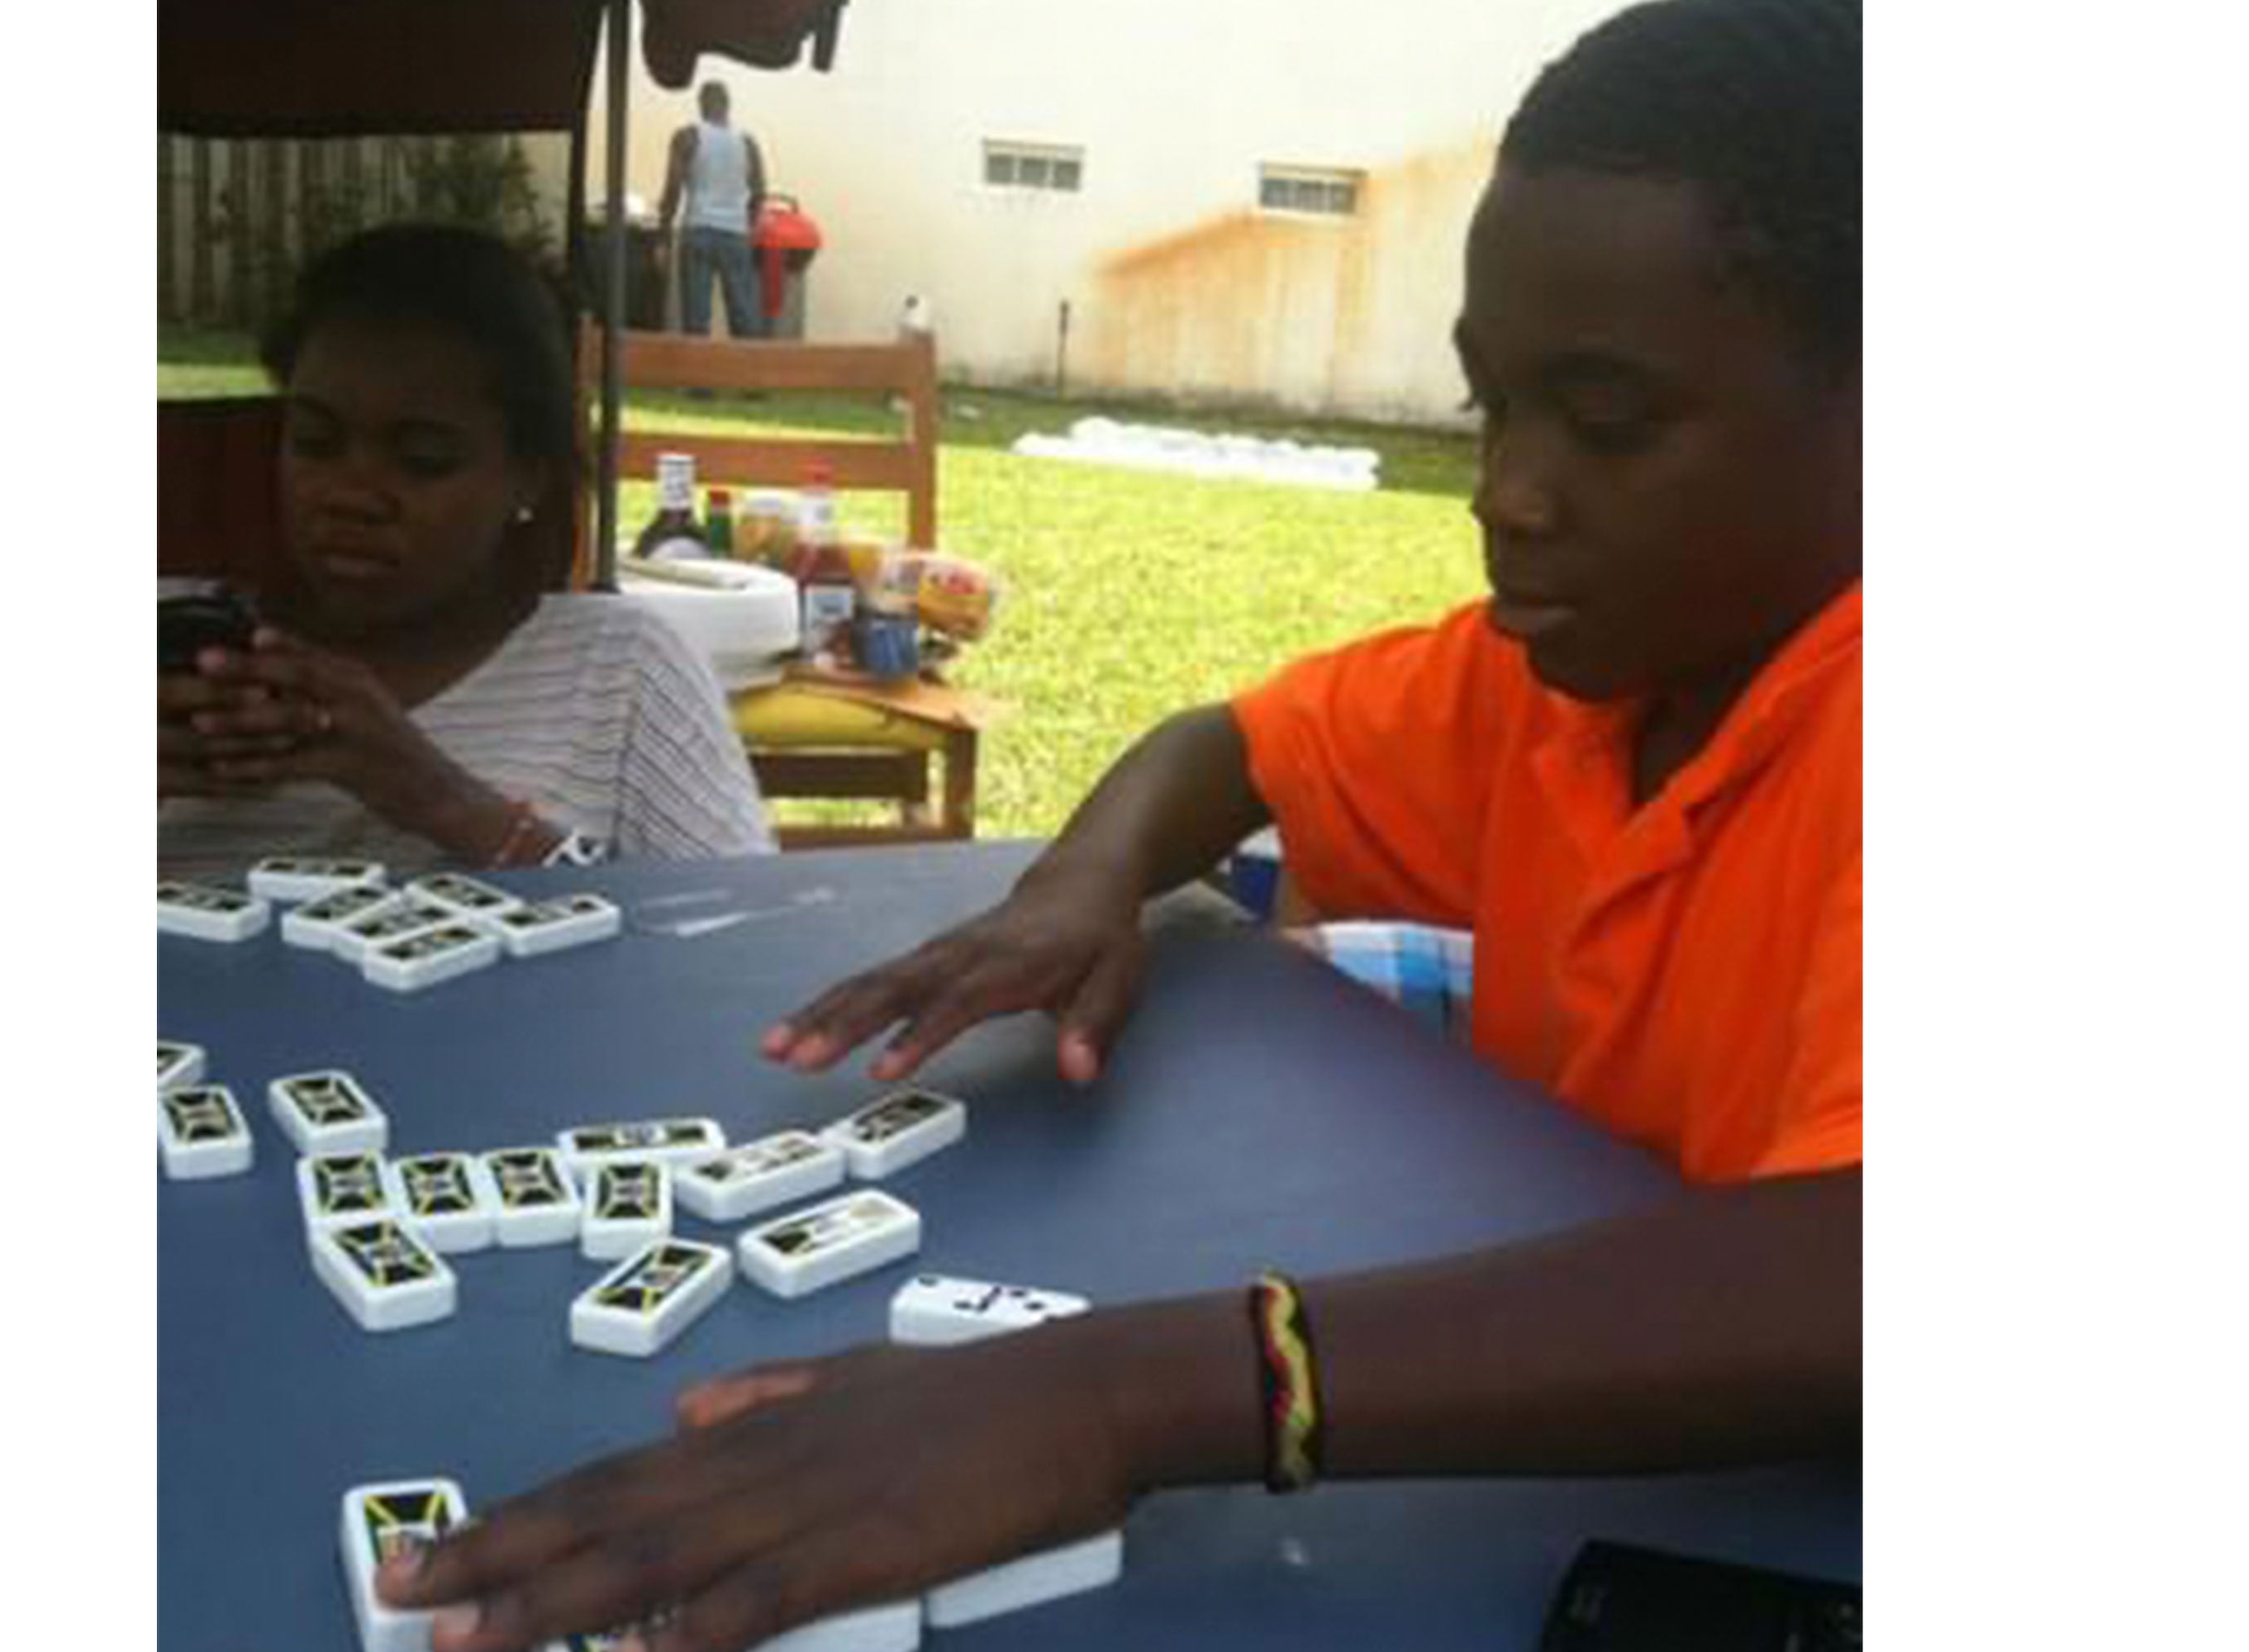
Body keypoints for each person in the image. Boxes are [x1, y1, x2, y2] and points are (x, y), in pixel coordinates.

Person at [377, 1, 1861, 1645]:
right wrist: (1083, 882)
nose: (1508, 490)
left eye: (1613, 422)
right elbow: (1229, 746)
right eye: (1494, 406)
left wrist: (1117, 1392)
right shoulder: (1567, 683)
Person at [159, 223, 773, 875]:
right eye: (313, 442)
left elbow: (737, 939)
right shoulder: (165, 640)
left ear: (529, 476)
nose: (349, 495)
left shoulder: (620, 670)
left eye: (423, 460)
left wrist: (437, 797)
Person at [658, 81, 770, 339]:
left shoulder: (688, 136)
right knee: (744, 317)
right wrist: (748, 227)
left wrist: (663, 238)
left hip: (698, 230)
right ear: (727, 107)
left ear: (701, 105)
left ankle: (698, 379)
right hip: (735, 234)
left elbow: (672, 189)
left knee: (696, 320)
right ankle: (744, 375)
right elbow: (760, 192)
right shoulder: (747, 142)